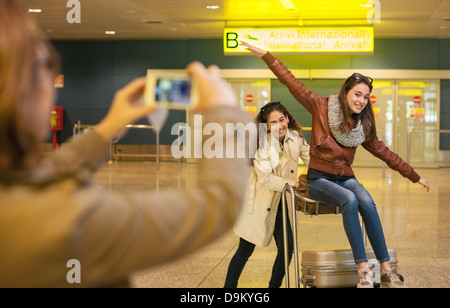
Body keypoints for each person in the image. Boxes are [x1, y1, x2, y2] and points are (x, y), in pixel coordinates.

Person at [0, 0, 252, 288]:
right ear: (20, 87)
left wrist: (106, 129)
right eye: (48, 64)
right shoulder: (67, 224)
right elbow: (218, 204)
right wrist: (223, 112)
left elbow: (40, 178)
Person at [241, 41, 431, 288]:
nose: (362, 101)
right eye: (357, 94)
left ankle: (387, 269)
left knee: (367, 202)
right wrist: (267, 55)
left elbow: (386, 154)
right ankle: (363, 269)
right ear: (346, 93)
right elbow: (291, 82)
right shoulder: (320, 107)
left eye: (366, 97)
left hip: (345, 177)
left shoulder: (363, 126)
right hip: (319, 179)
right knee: (349, 200)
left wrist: (414, 176)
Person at [224, 102, 310, 288]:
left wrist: (322, 175)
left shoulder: (296, 137)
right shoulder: (261, 142)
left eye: (282, 119)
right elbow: (267, 179)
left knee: (287, 248)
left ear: (287, 118)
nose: (280, 125)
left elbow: (312, 159)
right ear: (266, 126)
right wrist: (294, 184)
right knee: (245, 249)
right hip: (260, 201)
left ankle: (273, 286)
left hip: (282, 202)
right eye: (273, 123)